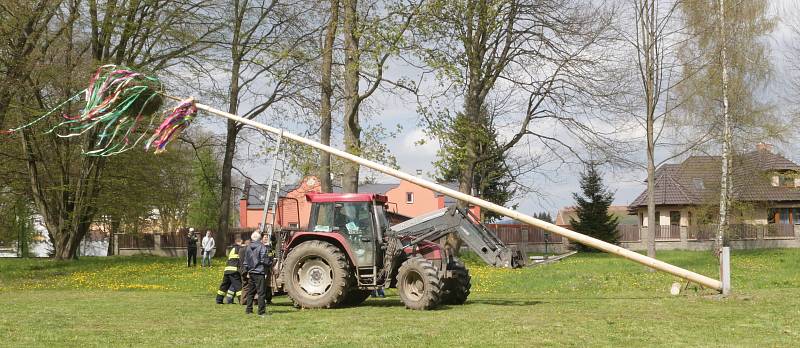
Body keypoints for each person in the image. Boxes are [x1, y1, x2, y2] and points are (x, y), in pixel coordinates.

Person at [243, 231, 271, 316]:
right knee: (261, 293)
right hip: (259, 272)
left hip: (251, 272)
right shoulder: (262, 247)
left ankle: (249, 310)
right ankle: (261, 312)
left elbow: (246, 261)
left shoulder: (248, 247)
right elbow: (264, 260)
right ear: (260, 238)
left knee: (250, 292)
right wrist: (270, 262)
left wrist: (248, 270)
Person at [216, 238, 244, 304]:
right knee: (238, 286)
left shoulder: (231, 248)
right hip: (234, 270)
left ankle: (219, 300)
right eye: (241, 242)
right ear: (239, 242)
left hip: (227, 270)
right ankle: (242, 300)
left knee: (224, 286)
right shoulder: (239, 248)